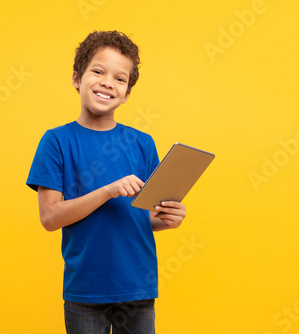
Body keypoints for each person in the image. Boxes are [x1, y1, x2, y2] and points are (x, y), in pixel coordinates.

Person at [26, 30, 186, 334]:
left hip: (137, 286)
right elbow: (49, 217)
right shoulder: (56, 141)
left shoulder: (142, 143)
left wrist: (167, 219)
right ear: (77, 78)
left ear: (126, 95)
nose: (107, 82)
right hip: (86, 289)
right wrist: (108, 190)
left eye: (120, 79)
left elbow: (141, 217)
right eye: (97, 71)